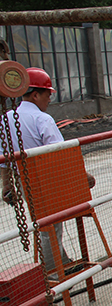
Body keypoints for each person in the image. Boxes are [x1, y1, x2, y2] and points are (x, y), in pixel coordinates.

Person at [1, 67, 94, 273]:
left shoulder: (6, 119)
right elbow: (60, 153)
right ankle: (54, 271)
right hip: (48, 179)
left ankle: (62, 263)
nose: (49, 99)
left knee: (45, 224)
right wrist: (83, 176)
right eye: (47, 95)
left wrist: (6, 185)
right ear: (35, 95)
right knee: (50, 225)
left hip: (25, 180)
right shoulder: (42, 119)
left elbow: (4, 158)